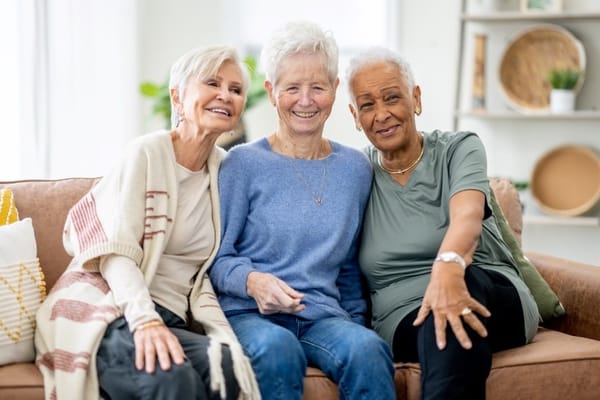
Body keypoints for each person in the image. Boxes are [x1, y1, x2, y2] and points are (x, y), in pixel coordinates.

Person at [34, 45, 260, 400]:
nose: (225, 95)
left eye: (235, 89)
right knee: (171, 380)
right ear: (177, 96)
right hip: (111, 311)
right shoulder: (147, 153)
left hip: (173, 316)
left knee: (228, 368)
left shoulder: (226, 170)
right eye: (212, 83)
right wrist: (145, 320)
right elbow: (116, 252)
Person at [209, 21, 396, 400]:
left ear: (334, 90)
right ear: (272, 92)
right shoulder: (241, 164)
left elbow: (347, 267)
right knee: (279, 351)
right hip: (250, 315)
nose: (305, 100)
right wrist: (253, 282)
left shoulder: (355, 169)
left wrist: (356, 325)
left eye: (317, 87)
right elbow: (217, 257)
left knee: (368, 349)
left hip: (322, 317)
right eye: (292, 88)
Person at [345, 46, 540, 400]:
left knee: (456, 298)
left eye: (392, 98)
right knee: (443, 327)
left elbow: (467, 218)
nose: (382, 114)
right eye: (367, 105)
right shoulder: (354, 173)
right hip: (403, 316)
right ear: (355, 116)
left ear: (415, 98)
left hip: (488, 290)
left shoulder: (458, 149)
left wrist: (448, 268)